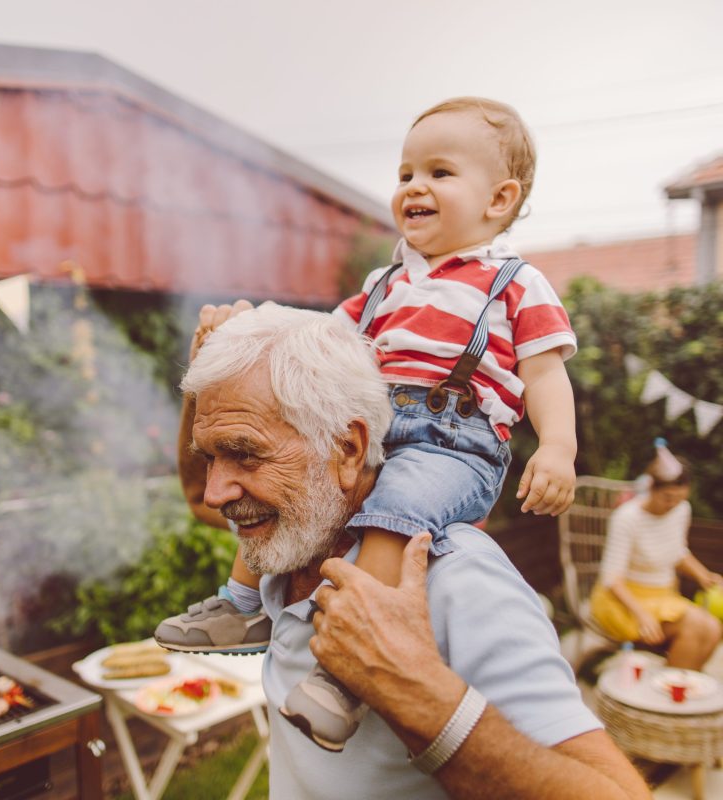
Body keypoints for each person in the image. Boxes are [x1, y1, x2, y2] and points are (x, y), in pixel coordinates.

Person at [157, 96, 578, 750]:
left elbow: (546, 375)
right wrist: (246, 327)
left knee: (393, 512)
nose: (414, 185)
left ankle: (347, 672)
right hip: (380, 429)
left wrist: (556, 449)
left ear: (499, 199)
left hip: (452, 447)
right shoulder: (384, 284)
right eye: (406, 172)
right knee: (288, 494)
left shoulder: (515, 284)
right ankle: (241, 608)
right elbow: (315, 337)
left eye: (439, 172)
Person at [167, 302, 649, 799]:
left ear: (348, 450)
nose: (215, 492)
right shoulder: (287, 534)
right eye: (212, 457)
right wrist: (204, 376)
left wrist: (415, 693)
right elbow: (192, 494)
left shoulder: (457, 580)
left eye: (244, 453)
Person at [590, 442, 723, 669]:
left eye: (679, 497)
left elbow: (677, 552)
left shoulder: (682, 510)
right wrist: (641, 615)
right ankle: (672, 691)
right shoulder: (627, 518)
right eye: (667, 497)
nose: (672, 504)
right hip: (624, 601)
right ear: (651, 488)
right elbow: (612, 579)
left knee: (713, 629)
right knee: (694, 629)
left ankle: (678, 684)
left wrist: (703, 575)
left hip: (663, 597)